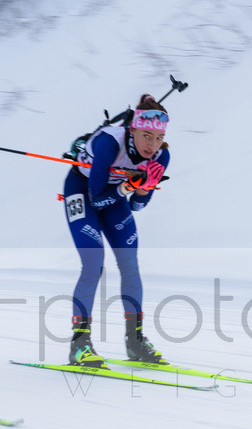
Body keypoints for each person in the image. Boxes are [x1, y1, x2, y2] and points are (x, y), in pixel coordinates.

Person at [62, 94, 171, 368]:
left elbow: (137, 205)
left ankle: (135, 342)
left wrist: (143, 189)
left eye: (158, 138)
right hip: (82, 191)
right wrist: (129, 186)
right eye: (147, 136)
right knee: (93, 263)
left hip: (115, 198)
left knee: (130, 265)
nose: (153, 144)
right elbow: (97, 197)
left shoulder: (161, 155)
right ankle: (79, 345)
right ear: (132, 129)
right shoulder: (110, 142)